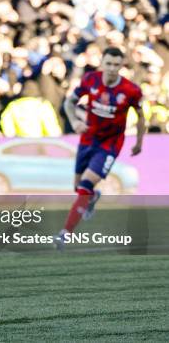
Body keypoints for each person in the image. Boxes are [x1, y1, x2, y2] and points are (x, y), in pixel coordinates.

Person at [54, 47, 145, 250]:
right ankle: (93, 197)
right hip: (88, 138)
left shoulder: (131, 90)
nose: (112, 69)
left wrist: (139, 142)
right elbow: (70, 102)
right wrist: (74, 122)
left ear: (121, 66)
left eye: (116, 65)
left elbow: (141, 117)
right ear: (102, 63)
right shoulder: (90, 80)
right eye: (109, 64)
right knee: (78, 187)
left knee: (85, 184)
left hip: (110, 144)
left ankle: (65, 233)